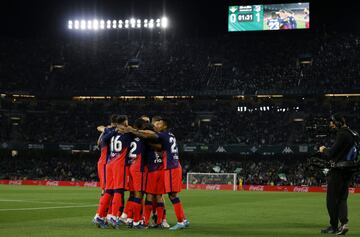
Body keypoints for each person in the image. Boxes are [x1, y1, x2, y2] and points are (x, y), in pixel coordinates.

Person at [121, 116, 189, 230]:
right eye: (156, 123)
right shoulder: (170, 135)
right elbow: (157, 145)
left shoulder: (162, 135)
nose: (157, 125)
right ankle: (176, 220)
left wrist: (133, 130)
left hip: (170, 167)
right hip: (171, 167)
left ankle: (180, 221)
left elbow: (150, 135)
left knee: (171, 196)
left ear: (165, 126)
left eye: (159, 124)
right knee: (162, 195)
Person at [319, 114, 358, 235]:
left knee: (331, 200)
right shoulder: (354, 133)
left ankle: (334, 226)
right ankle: (344, 224)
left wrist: (323, 149)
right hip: (349, 170)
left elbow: (330, 154)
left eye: (332, 123)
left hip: (338, 171)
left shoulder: (342, 134)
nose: (331, 125)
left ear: (338, 123)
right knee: (342, 199)